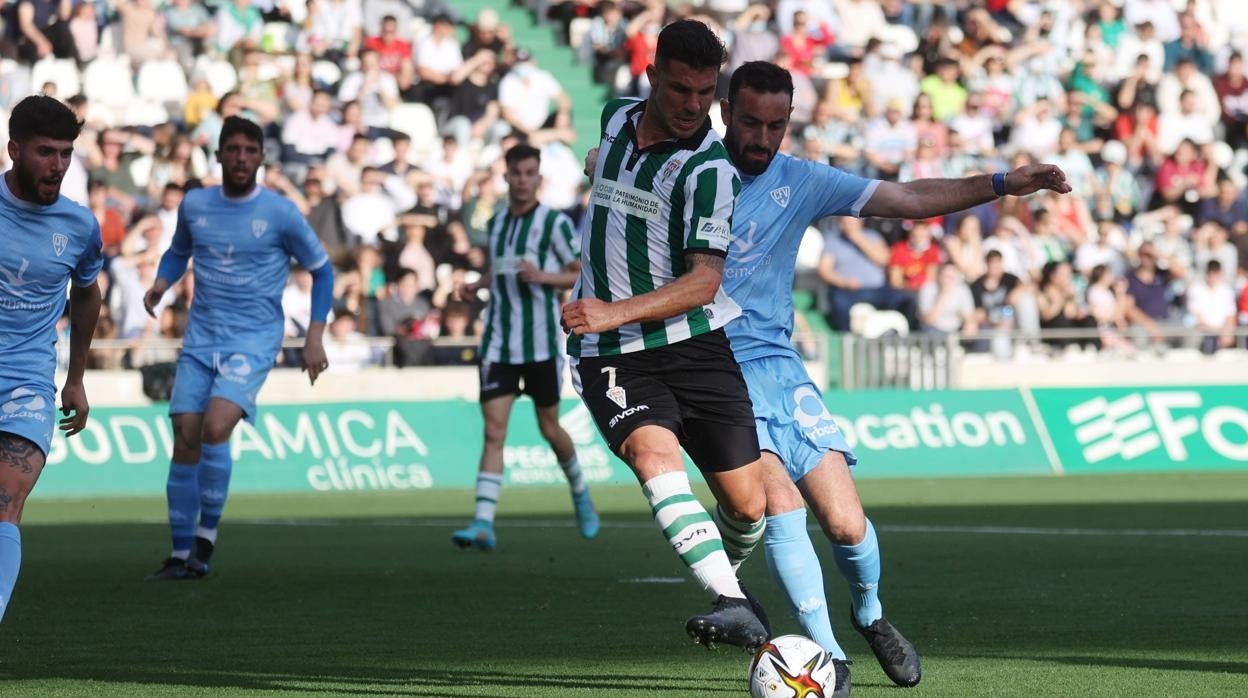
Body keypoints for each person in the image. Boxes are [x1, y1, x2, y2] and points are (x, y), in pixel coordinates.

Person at [714, 61, 1070, 693]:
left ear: (789, 121)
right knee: (782, 502)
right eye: (749, 122)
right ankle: (827, 658)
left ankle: (870, 616)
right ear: (725, 113)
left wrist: (1001, 184)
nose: (762, 138)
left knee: (848, 525)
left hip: (782, 369)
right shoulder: (693, 176)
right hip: (715, 372)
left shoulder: (801, 180)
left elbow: (906, 200)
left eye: (776, 125)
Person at [563, 20, 770, 652]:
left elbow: (703, 283)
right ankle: (731, 601)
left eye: (706, 92)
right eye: (681, 89)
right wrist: (604, 320)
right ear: (652, 77)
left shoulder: (709, 171)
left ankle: (728, 583)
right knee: (655, 458)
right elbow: (605, 162)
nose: (694, 106)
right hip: (614, 353)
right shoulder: (614, 118)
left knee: (747, 508)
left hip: (694, 342)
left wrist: (611, 309)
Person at [143, 116, 335, 581]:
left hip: (252, 338)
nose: (242, 158)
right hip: (202, 335)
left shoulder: (280, 212)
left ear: (263, 157)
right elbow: (178, 251)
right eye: (233, 149)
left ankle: (206, 540)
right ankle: (179, 551)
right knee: (185, 434)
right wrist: (162, 284)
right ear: (219, 155)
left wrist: (314, 336)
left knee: (214, 425)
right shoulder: (196, 204)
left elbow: (323, 270)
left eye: (251, 150)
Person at [449, 144, 597, 551]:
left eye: (529, 173)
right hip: (498, 342)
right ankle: (482, 524)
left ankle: (581, 492)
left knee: (549, 427)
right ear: (507, 177)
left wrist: (541, 276)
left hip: (541, 344)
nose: (522, 180)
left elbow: (575, 273)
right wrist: (474, 285)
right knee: (494, 431)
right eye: (516, 173)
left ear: (539, 178)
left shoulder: (554, 224)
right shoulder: (497, 224)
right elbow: (500, 273)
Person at [0, 95, 103, 622]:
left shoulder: (80, 226)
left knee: (6, 500)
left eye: (66, 153)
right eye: (45, 152)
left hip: (26, 381)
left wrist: (77, 379)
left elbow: (87, 294)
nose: (57, 166)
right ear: (14, 149)